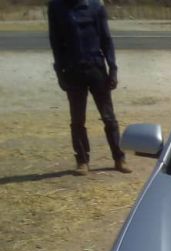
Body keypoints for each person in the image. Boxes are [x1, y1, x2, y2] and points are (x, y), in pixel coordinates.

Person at [47, 0, 131, 175]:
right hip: (72, 70)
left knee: (109, 118)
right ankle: (82, 161)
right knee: (77, 120)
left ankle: (119, 158)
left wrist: (113, 69)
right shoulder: (56, 7)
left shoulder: (96, 6)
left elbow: (106, 39)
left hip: (96, 69)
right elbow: (55, 41)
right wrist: (59, 72)